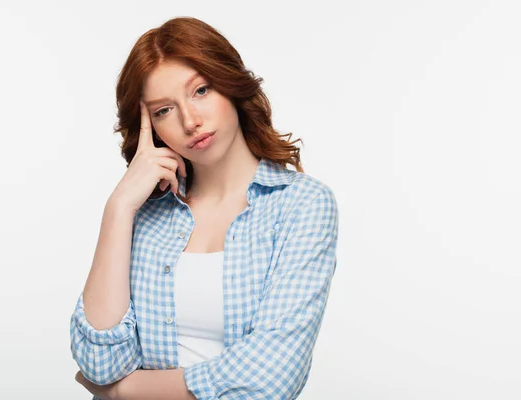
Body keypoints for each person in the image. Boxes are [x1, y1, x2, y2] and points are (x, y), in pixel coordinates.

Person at [70, 16, 339, 400]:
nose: (191, 121)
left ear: (230, 84)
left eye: (201, 90)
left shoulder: (301, 205)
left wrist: (122, 393)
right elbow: (99, 362)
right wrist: (118, 208)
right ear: (149, 128)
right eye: (164, 110)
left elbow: (270, 379)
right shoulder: (142, 213)